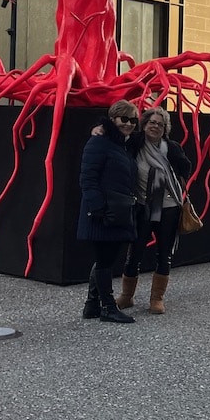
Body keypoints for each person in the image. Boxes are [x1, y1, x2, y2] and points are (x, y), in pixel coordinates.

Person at [117, 107, 193, 314]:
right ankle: (126, 296)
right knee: (135, 252)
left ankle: (157, 298)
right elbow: (114, 135)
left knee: (164, 254)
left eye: (160, 124)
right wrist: (98, 128)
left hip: (169, 208)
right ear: (144, 124)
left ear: (165, 128)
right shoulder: (135, 143)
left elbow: (186, 166)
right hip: (142, 207)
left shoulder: (172, 148)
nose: (155, 126)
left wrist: (176, 182)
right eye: (152, 122)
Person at [77, 100, 141, 324]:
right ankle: (107, 307)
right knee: (105, 260)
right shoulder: (100, 143)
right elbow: (87, 178)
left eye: (133, 120)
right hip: (104, 212)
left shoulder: (122, 144)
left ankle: (92, 304)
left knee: (106, 258)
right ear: (113, 119)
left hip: (116, 211)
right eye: (124, 119)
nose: (129, 124)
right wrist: (99, 209)